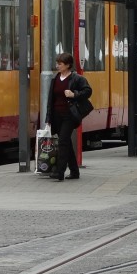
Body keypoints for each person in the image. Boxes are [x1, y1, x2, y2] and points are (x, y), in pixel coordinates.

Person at [46, 53, 92, 182]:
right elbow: (51, 100)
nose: (57, 66)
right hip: (57, 115)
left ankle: (59, 172)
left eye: (60, 64)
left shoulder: (77, 78)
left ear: (67, 65)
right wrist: (48, 118)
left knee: (62, 142)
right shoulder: (55, 79)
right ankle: (74, 171)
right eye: (57, 63)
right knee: (66, 142)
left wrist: (74, 94)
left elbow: (88, 91)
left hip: (70, 115)